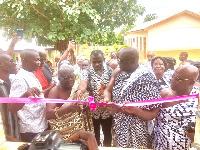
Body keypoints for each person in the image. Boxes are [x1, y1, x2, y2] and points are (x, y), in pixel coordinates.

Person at [122, 65, 199, 150]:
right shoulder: (164, 94)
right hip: (161, 145)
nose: (172, 80)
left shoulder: (197, 97)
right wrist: (135, 110)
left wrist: (196, 135)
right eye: (172, 76)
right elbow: (151, 115)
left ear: (191, 82)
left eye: (177, 79)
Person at [103, 47, 161, 148]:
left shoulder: (147, 77)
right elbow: (107, 90)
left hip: (138, 127)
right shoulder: (117, 72)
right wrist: (106, 100)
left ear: (134, 60)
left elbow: (153, 113)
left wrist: (134, 111)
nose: (118, 62)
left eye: (120, 60)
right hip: (118, 123)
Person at [73, 50, 113, 147]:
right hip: (93, 108)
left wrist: (106, 90)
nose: (97, 64)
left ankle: (107, 147)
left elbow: (113, 87)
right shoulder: (87, 71)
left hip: (107, 108)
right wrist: (79, 90)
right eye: (94, 62)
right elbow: (83, 83)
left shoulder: (110, 71)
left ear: (103, 60)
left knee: (107, 133)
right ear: (90, 62)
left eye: (99, 61)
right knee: (95, 134)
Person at [8, 49, 48, 142]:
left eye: (39, 60)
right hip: (30, 129)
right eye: (36, 60)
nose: (39, 62)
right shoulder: (19, 79)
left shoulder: (31, 74)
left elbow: (38, 96)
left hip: (41, 125)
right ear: (25, 60)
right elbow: (12, 107)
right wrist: (26, 95)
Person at [46, 66, 93, 141]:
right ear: (59, 78)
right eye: (66, 78)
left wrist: (85, 105)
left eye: (71, 77)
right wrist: (68, 109)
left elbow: (88, 100)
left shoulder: (77, 88)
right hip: (63, 134)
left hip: (80, 132)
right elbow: (48, 114)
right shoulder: (55, 91)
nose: (70, 80)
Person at [0, 35, 20, 141]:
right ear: (1, 65)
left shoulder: (13, 82)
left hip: (18, 132)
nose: (15, 63)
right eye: (11, 61)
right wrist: (8, 138)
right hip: (6, 139)